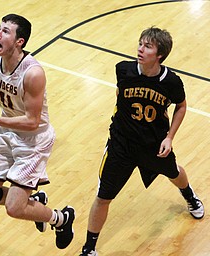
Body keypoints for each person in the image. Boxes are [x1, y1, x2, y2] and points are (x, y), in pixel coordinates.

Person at [0, 14, 75, 249]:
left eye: (6, 31)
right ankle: (34, 201)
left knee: (14, 208)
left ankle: (61, 218)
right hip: (8, 132)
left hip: (34, 140)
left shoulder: (33, 73)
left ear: (20, 41)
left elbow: (32, 121)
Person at [79, 27, 204, 256]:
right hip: (121, 145)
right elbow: (121, 96)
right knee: (103, 196)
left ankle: (190, 196)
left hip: (153, 144)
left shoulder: (171, 82)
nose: (140, 49)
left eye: (147, 46)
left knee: (174, 172)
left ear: (160, 55)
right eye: (140, 44)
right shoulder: (123, 70)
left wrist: (169, 137)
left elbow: (182, 106)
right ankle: (89, 248)